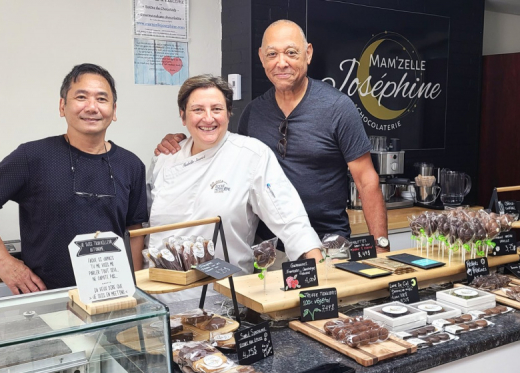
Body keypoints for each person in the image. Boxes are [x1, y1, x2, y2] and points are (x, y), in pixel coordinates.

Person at [155, 20, 390, 252]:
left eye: (291, 52)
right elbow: (226, 157)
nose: (281, 63)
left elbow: (366, 181)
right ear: (261, 57)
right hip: (266, 249)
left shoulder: (338, 108)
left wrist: (380, 247)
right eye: (272, 54)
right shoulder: (253, 112)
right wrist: (184, 142)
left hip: (327, 244)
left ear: (308, 53)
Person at [0, 63, 148, 294]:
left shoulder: (131, 165)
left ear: (114, 110)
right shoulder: (33, 156)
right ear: (62, 106)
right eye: (81, 97)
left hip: (111, 296)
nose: (91, 107)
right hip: (48, 298)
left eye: (101, 99)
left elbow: (134, 231)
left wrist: (137, 291)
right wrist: (3, 261)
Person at [146, 74, 322, 282]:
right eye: (198, 110)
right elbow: (144, 227)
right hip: (162, 292)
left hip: (223, 294)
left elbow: (289, 218)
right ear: (183, 116)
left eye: (217, 109)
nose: (208, 118)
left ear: (229, 114)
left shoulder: (251, 154)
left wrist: (319, 272)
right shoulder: (165, 158)